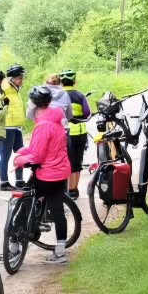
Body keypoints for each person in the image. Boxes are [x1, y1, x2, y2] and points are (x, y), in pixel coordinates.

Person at [13, 86, 72, 265]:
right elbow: (45, 147)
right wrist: (26, 150)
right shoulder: (56, 119)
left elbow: (38, 156)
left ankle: (13, 244)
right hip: (61, 172)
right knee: (58, 210)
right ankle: (60, 252)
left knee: (22, 207)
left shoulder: (42, 125)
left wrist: (19, 160)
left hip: (46, 174)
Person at [59, 69, 93, 200]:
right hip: (80, 132)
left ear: (61, 82)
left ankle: (65, 191)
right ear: (74, 81)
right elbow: (87, 113)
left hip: (65, 133)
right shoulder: (80, 95)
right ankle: (74, 190)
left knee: (65, 162)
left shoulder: (58, 96)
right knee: (77, 163)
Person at [2, 64, 27, 190]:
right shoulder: (5, 91)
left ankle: (19, 179)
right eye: (19, 78)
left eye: (22, 78)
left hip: (17, 126)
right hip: (8, 126)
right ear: (11, 79)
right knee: (5, 154)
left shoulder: (16, 90)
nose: (21, 81)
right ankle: (4, 182)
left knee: (20, 153)